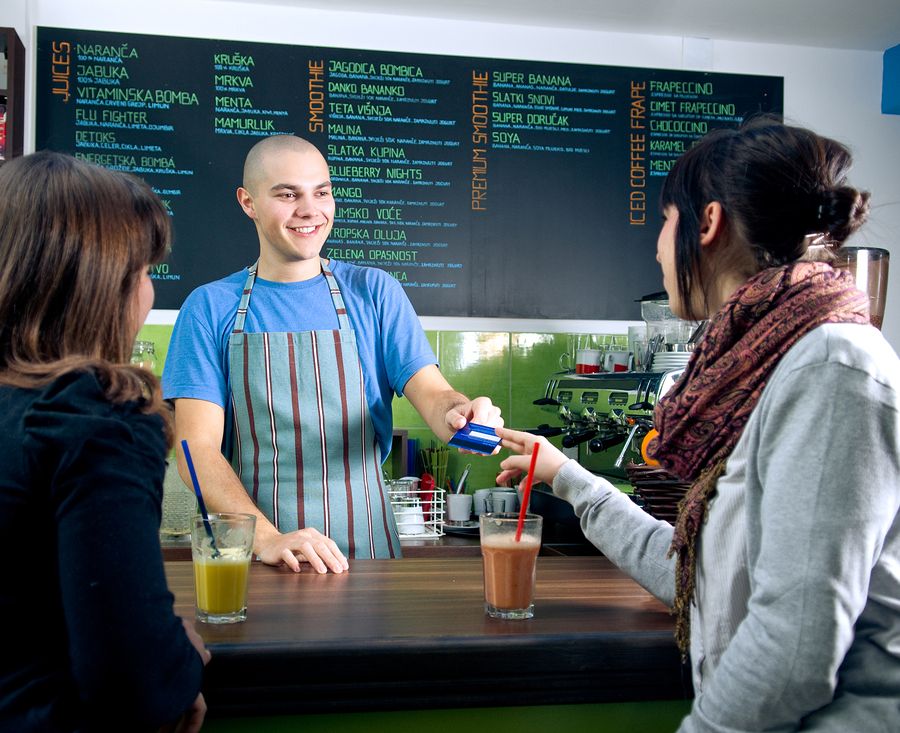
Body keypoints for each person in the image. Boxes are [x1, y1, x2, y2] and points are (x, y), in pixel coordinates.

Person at [497, 118, 900, 731]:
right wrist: (569, 477)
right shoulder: (759, 368)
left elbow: (793, 649)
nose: (659, 248)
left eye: (664, 221)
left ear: (706, 224)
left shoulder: (831, 367)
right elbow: (700, 576)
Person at [163, 134, 501, 573]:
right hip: (259, 557)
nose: (310, 210)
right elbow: (196, 448)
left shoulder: (375, 293)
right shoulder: (210, 307)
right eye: (288, 194)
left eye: (321, 192)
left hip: (366, 556)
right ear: (248, 203)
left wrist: (463, 416)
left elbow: (435, 395)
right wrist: (267, 539)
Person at [0, 152, 209, 732]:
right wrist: (179, 657)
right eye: (144, 272)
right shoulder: (94, 416)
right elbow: (134, 683)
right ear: (100, 285)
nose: (147, 293)